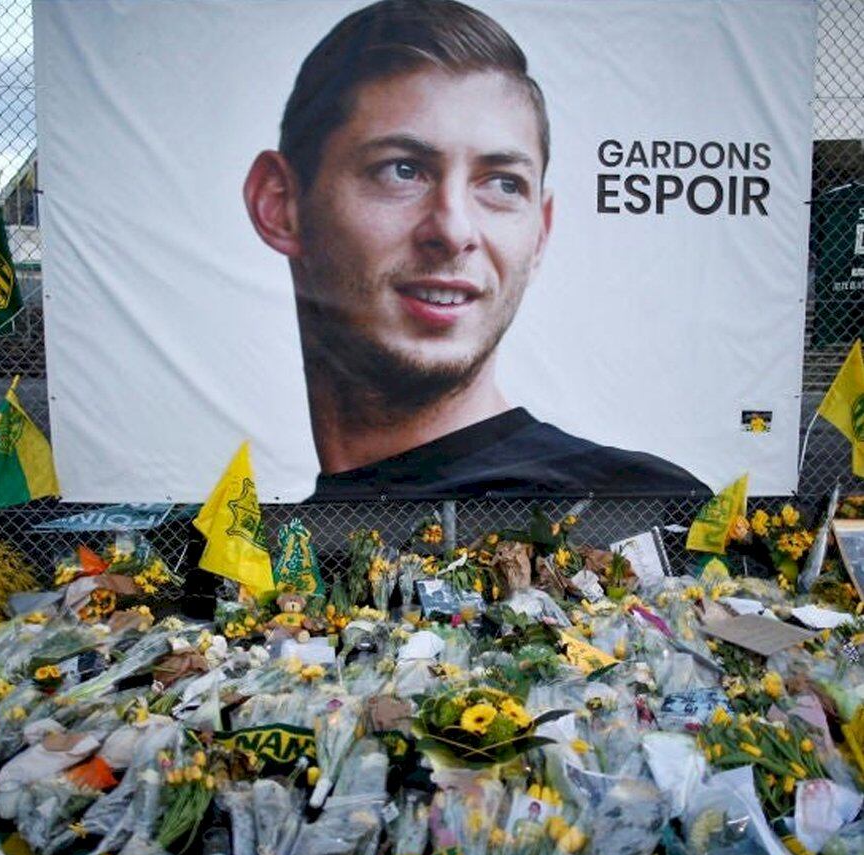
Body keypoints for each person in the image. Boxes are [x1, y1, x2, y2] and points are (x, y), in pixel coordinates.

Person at [242, 0, 708, 499]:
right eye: (401, 170)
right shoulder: (224, 551)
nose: (454, 230)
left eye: (504, 184)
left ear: (540, 235)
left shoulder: (643, 513)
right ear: (280, 204)